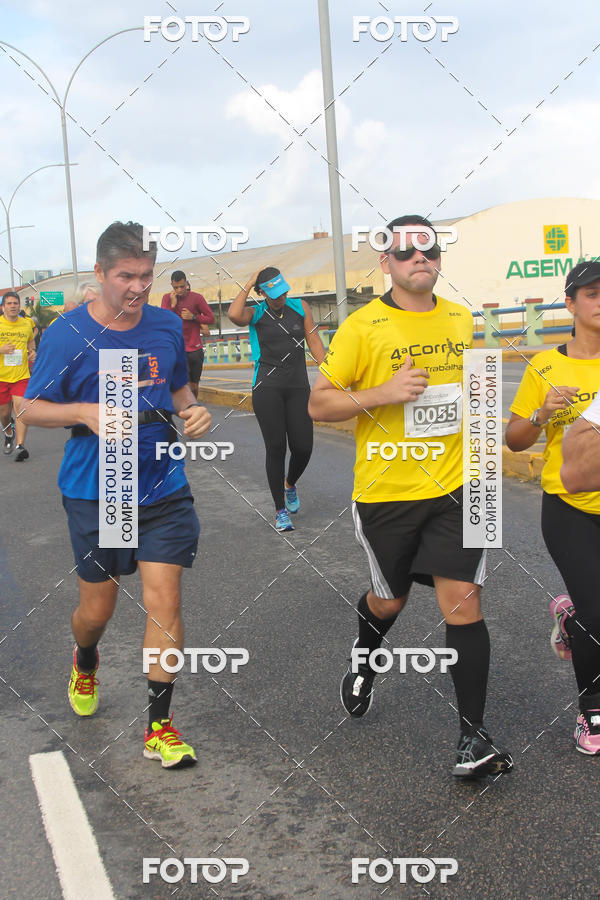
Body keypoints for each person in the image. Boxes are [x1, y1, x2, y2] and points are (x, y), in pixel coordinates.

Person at [308, 215, 513, 778]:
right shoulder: (363, 327)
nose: (419, 257)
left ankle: (473, 740)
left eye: (429, 248)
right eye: (405, 251)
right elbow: (319, 404)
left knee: (465, 602)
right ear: (387, 263)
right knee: (389, 602)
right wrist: (386, 393)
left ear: (438, 258)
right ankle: (365, 659)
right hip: (387, 493)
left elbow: (469, 392)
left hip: (459, 485)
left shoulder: (461, 318)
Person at [22, 222, 211, 768]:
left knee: (164, 600)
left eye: (146, 276)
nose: (137, 287)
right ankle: (85, 658)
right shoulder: (66, 334)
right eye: (125, 276)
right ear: (100, 274)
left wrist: (190, 409)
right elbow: (27, 410)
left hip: (161, 482)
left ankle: (160, 727)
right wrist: (84, 412)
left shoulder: (165, 324)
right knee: (95, 610)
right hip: (97, 488)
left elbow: (176, 385)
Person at [506, 260, 600, 755]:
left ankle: (569, 618)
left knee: (593, 611)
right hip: (570, 509)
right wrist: (543, 414)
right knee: (598, 615)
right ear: (570, 303)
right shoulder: (546, 365)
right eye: (592, 293)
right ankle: (592, 711)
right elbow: (515, 439)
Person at [228, 266, 325, 532]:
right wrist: (250, 281)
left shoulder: (300, 307)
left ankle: (290, 483)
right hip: (267, 388)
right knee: (276, 448)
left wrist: (331, 374)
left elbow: (314, 340)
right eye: (274, 293)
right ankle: (280, 511)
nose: (281, 297)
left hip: (298, 388)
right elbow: (234, 314)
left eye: (283, 292)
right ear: (263, 293)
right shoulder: (256, 313)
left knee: (303, 447)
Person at [161, 271, 214, 398]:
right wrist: (173, 305)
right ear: (172, 286)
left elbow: (211, 319)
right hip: (177, 350)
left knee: (194, 386)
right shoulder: (166, 298)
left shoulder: (197, 298)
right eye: (176, 287)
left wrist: (194, 316)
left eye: (182, 286)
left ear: (186, 284)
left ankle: (192, 409)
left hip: (195, 349)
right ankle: (188, 411)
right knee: (184, 385)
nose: (179, 290)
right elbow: (163, 322)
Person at [0, 291, 36, 460]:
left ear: (19, 306)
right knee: (5, 414)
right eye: (9, 303)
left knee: (20, 408)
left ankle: (20, 445)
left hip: (21, 375)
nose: (13, 306)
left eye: (15, 303)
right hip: (1, 377)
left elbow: (30, 340)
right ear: (3, 307)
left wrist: (32, 351)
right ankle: (8, 432)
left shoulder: (26, 324)